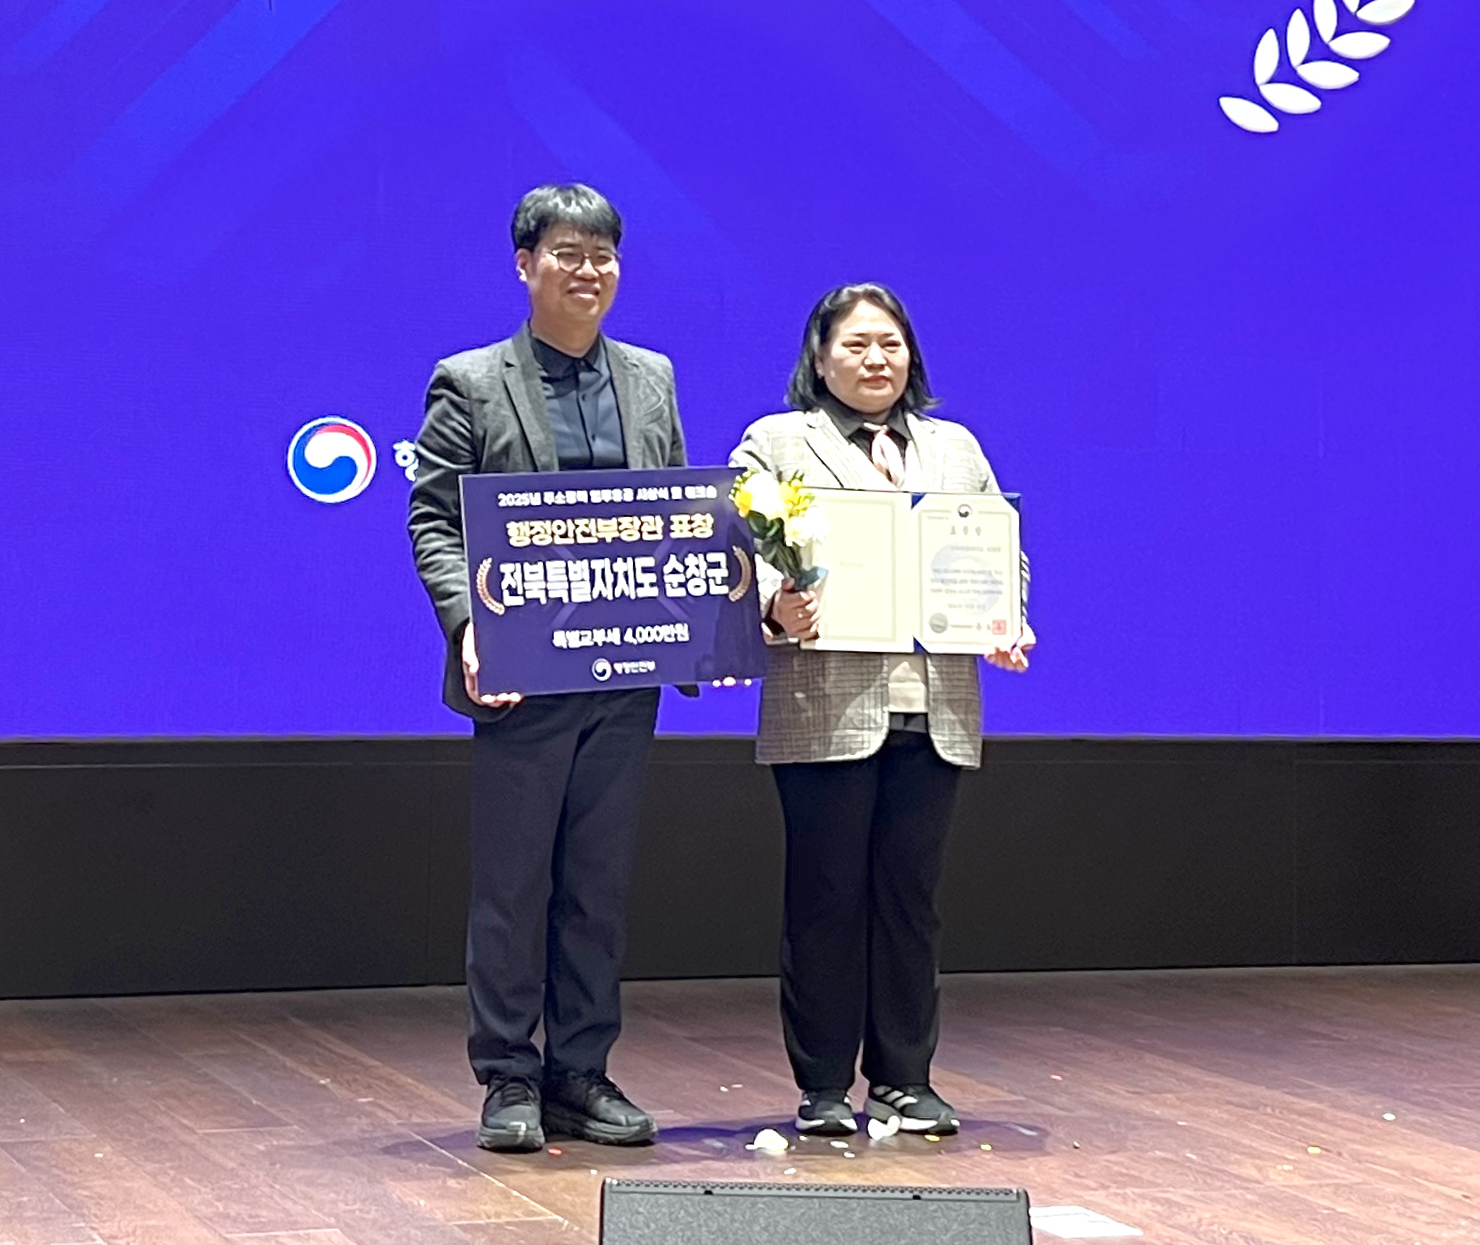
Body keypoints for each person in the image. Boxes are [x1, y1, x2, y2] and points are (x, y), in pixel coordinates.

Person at [407, 184, 688, 1151]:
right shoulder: (471, 381)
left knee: (597, 888)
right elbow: (435, 519)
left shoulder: (650, 377)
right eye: (567, 253)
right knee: (514, 886)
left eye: (603, 255)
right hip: (521, 675)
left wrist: (710, 625)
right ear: (525, 265)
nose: (588, 270)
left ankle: (581, 1072)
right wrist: (468, 623)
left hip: (624, 673)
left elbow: (676, 514)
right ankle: (507, 1077)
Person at [729, 284, 1033, 1142]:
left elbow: (999, 551)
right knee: (825, 898)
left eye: (890, 344)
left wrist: (1009, 618)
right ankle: (824, 1084)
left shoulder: (954, 448)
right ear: (820, 357)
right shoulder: (779, 442)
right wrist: (773, 606)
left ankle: (905, 1079)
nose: (875, 360)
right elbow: (737, 553)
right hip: (823, 702)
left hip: (933, 706)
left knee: (911, 899)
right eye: (856, 344)